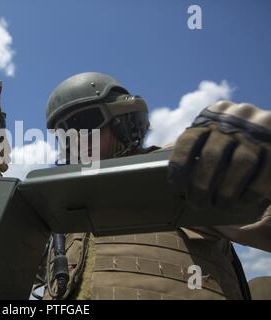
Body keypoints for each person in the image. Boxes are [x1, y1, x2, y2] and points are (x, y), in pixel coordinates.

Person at [38, 72, 271, 300]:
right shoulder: (61, 211)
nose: (77, 139)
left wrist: (254, 161)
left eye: (85, 123)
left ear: (123, 122)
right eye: (64, 132)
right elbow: (14, 264)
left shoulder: (178, 169)